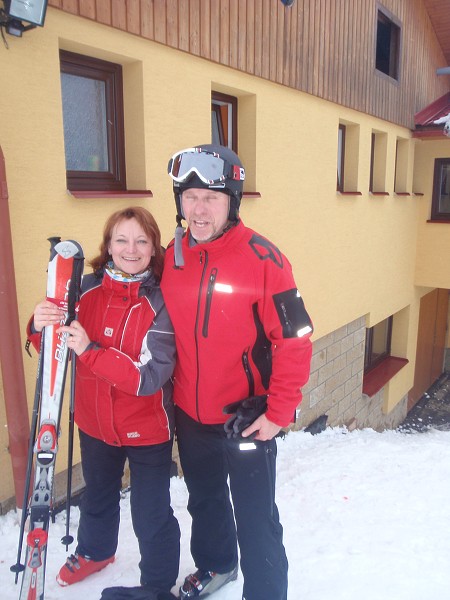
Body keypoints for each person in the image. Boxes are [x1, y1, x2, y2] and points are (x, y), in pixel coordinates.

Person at [161, 145, 313, 600]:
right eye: (190, 197)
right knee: (204, 501)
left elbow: (295, 336)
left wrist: (280, 410)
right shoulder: (173, 255)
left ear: (232, 200)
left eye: (211, 196)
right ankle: (217, 566)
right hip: (190, 412)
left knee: (255, 515)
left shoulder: (264, 259)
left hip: (248, 417)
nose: (199, 209)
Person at [28, 207, 180, 595]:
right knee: (97, 495)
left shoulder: (162, 302)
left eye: (142, 240)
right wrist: (39, 325)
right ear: (108, 245)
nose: (131, 249)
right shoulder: (85, 290)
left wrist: (91, 350)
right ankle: (96, 552)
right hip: (94, 423)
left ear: (153, 248)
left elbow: (150, 377)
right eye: (122, 239)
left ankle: (158, 585)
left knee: (151, 514)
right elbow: (56, 350)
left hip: (147, 429)